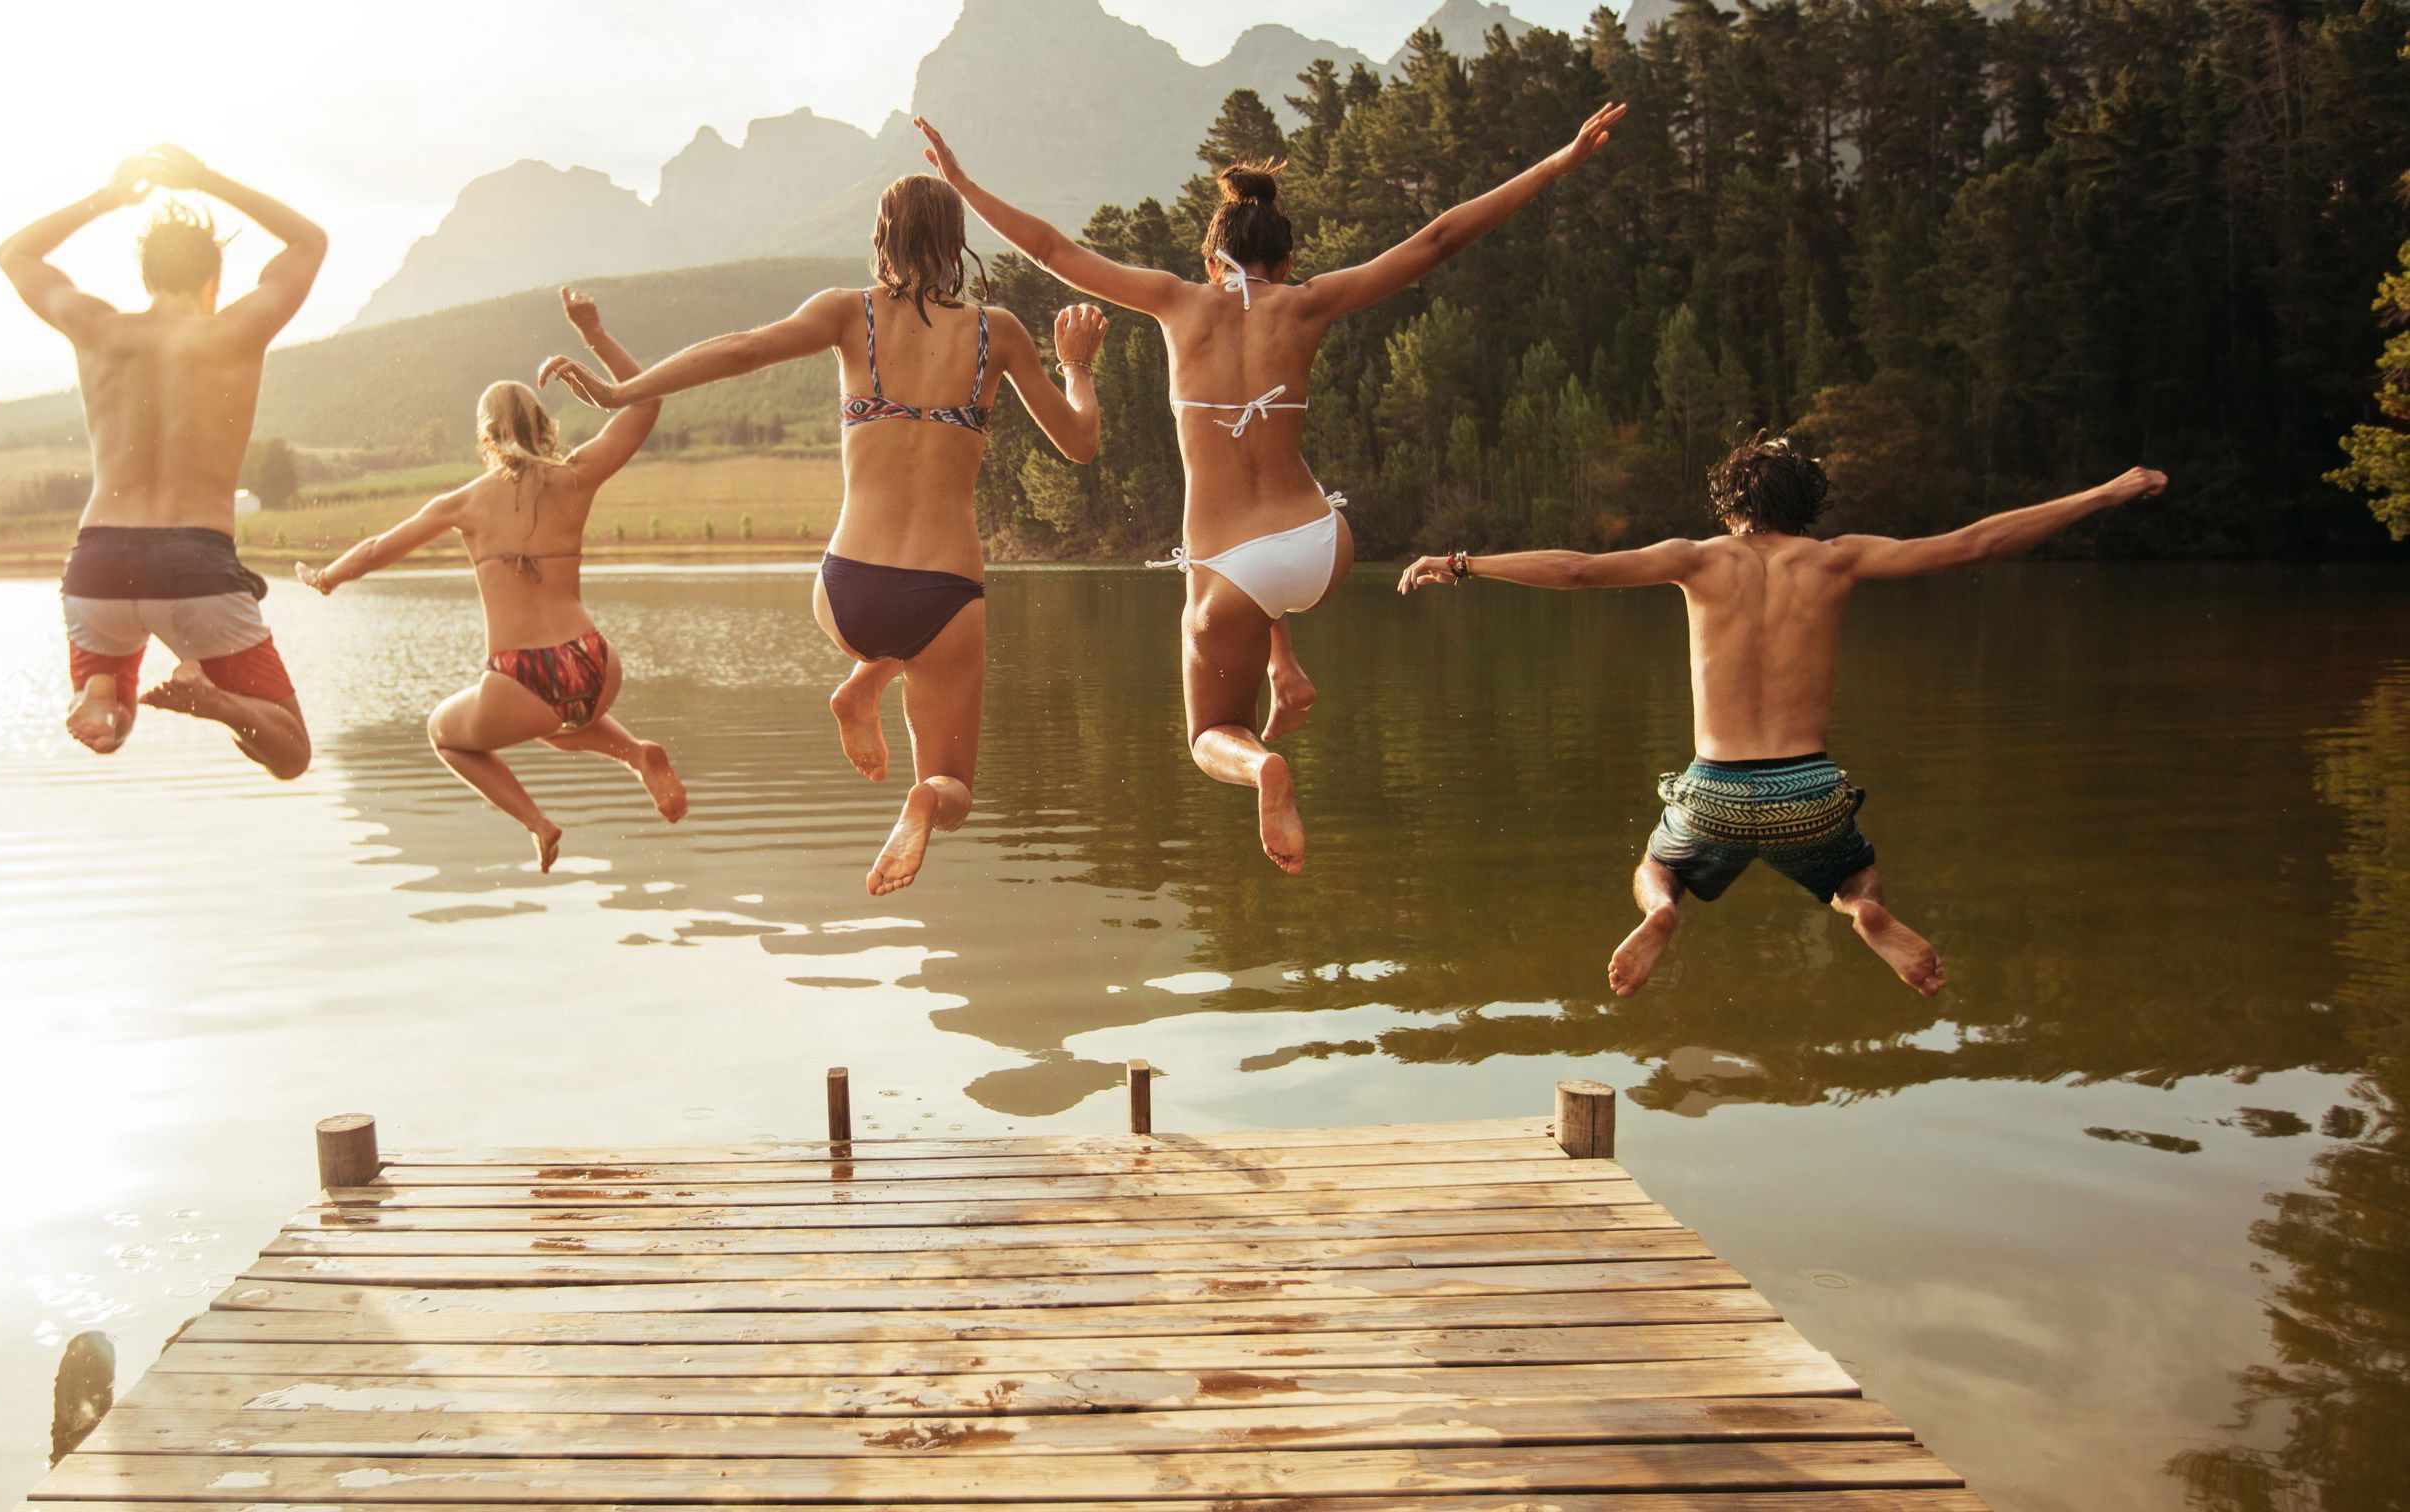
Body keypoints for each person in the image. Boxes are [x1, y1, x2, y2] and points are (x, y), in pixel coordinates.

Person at [920, 106, 1626, 873]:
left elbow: (1052, 247)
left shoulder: (1175, 301)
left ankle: (1263, 767)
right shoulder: (1309, 303)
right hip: (1325, 547)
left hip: (1236, 570)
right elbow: (1437, 240)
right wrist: (1555, 162)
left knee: (1206, 734)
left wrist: (960, 184)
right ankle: (1282, 667)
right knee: (1261, 541)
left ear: (1213, 260)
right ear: (1287, 262)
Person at [1401, 433, 2172, 998]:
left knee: (1659, 866)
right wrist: (2103, 493)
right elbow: (1973, 546)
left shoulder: (1694, 559)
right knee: (1855, 872)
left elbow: (1574, 569)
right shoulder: (1836, 558)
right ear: (1809, 506)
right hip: (1808, 790)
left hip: (1715, 792)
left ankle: (1663, 912)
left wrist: (1465, 563)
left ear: (1729, 505)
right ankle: (1867, 912)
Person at [537, 176, 1107, 895]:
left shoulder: (850, 314)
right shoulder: (1000, 332)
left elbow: (743, 349)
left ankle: (866, 675)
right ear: (955, 240)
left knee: (876, 636)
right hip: (948, 594)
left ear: (882, 237)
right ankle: (919, 788)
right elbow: (1081, 443)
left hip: (848, 589)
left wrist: (623, 391)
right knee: (952, 782)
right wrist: (1078, 366)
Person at [298, 290, 688, 872]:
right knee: (558, 723)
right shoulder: (575, 476)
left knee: (446, 733)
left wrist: (326, 577)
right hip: (595, 661)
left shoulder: (462, 502)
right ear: (544, 425)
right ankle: (635, 753)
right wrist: (594, 335)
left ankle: (539, 822)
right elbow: (646, 401)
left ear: (484, 435)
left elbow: (379, 549)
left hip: (521, 677)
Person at [0, 144, 325, 779]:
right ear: (215, 282)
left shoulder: (98, 329)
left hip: (97, 565)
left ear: (145, 279)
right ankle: (217, 702)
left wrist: (108, 199)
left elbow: (16, 254)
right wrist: (210, 179)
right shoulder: (236, 330)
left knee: (113, 721)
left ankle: (100, 699)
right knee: (290, 753)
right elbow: (308, 242)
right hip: (193, 565)